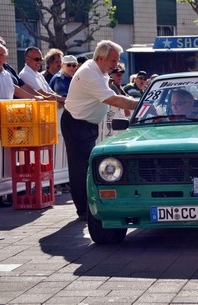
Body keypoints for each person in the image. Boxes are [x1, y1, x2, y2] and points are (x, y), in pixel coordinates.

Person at [60, 40, 139, 221]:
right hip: (77, 123)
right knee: (81, 169)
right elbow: (114, 100)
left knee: (86, 167)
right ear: (101, 58)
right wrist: (142, 104)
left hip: (83, 122)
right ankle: (83, 211)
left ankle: (86, 208)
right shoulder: (90, 73)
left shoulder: (95, 69)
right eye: (113, 61)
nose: (115, 65)